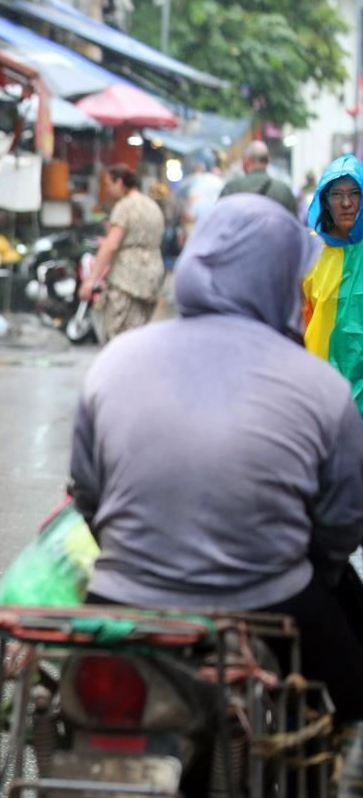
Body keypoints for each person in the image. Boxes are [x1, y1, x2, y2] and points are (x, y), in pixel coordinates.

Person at [70, 194, 363, 723]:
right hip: (267, 602)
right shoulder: (320, 386)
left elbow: (87, 493)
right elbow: (343, 523)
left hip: (124, 598)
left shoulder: (116, 361)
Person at [304, 154, 363, 415]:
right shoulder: (309, 253)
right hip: (321, 388)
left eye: (354, 193)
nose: (347, 203)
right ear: (325, 201)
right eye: (337, 194)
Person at [79, 164, 165, 341]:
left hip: (127, 275)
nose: (108, 191)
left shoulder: (124, 207)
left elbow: (111, 245)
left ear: (120, 182)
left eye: (109, 185)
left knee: (119, 332)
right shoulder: (152, 206)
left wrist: (91, 280)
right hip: (152, 274)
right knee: (141, 331)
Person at [219, 140, 297, 214]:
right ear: (267, 162)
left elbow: (218, 220)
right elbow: (295, 224)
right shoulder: (284, 192)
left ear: (246, 162)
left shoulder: (231, 189)